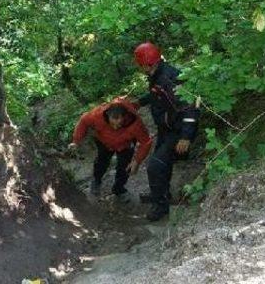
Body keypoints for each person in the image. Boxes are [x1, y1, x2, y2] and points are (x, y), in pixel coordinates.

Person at [134, 41, 200, 221]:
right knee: (162, 165)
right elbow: (157, 95)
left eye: (141, 65)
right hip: (167, 128)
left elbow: (190, 107)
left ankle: (160, 207)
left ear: (147, 64)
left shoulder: (170, 79)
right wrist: (140, 102)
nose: (140, 69)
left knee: (155, 166)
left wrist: (186, 137)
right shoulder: (157, 74)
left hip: (177, 131)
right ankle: (162, 193)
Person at [69, 97, 152, 202]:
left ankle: (118, 189)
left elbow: (146, 142)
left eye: (120, 122)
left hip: (125, 145)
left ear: (125, 116)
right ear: (108, 115)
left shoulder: (135, 123)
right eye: (114, 121)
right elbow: (83, 121)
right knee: (101, 162)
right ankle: (96, 181)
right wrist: (76, 141)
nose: (117, 125)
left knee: (125, 167)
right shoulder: (97, 115)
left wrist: (137, 161)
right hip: (103, 141)